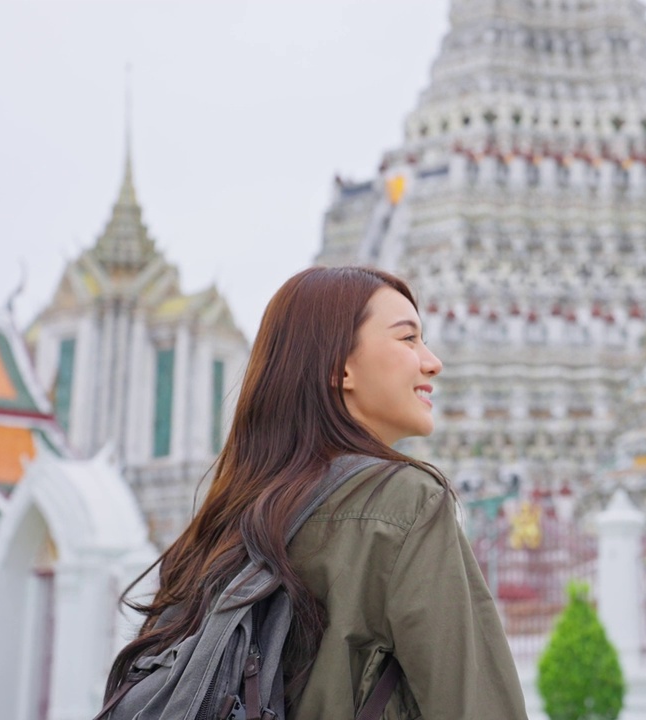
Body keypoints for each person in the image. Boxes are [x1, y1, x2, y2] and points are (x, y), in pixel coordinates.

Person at [104, 266, 528, 719]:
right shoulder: (406, 504)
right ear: (339, 368)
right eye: (408, 339)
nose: (432, 361)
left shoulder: (224, 521)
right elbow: (476, 705)